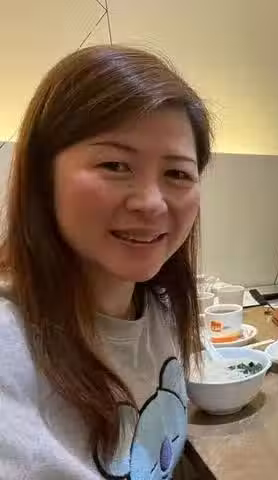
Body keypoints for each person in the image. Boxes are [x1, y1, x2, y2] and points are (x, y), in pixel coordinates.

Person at [0, 45, 211, 478]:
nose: (151, 203)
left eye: (176, 173)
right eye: (115, 165)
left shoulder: (159, 308)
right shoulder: (11, 345)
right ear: (43, 176)